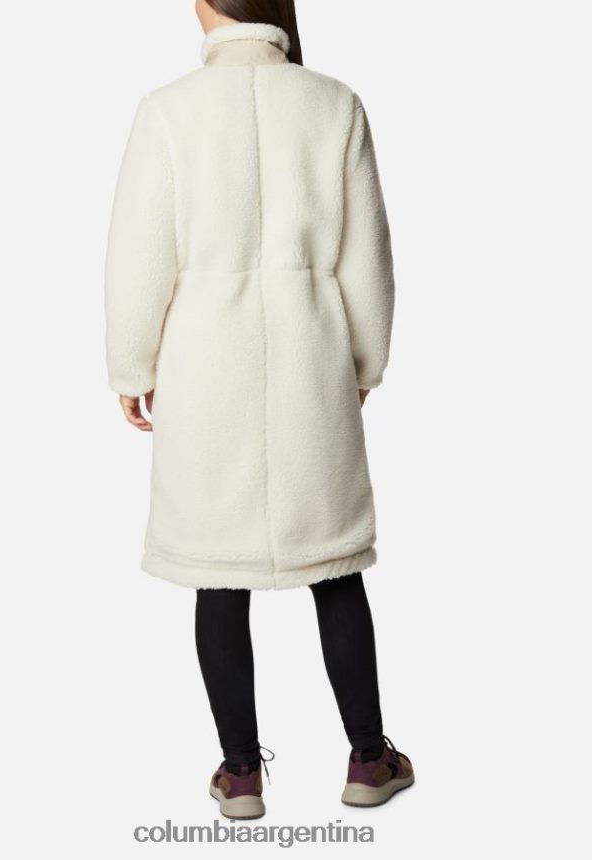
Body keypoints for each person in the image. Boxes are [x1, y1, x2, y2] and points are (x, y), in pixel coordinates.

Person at [104, 0, 413, 819]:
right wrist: (366, 361)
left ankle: (240, 775)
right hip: (313, 364)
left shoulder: (168, 110)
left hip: (206, 372)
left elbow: (139, 254)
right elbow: (368, 255)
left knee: (218, 572)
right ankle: (369, 760)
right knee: (334, 565)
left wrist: (131, 365)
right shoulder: (334, 103)